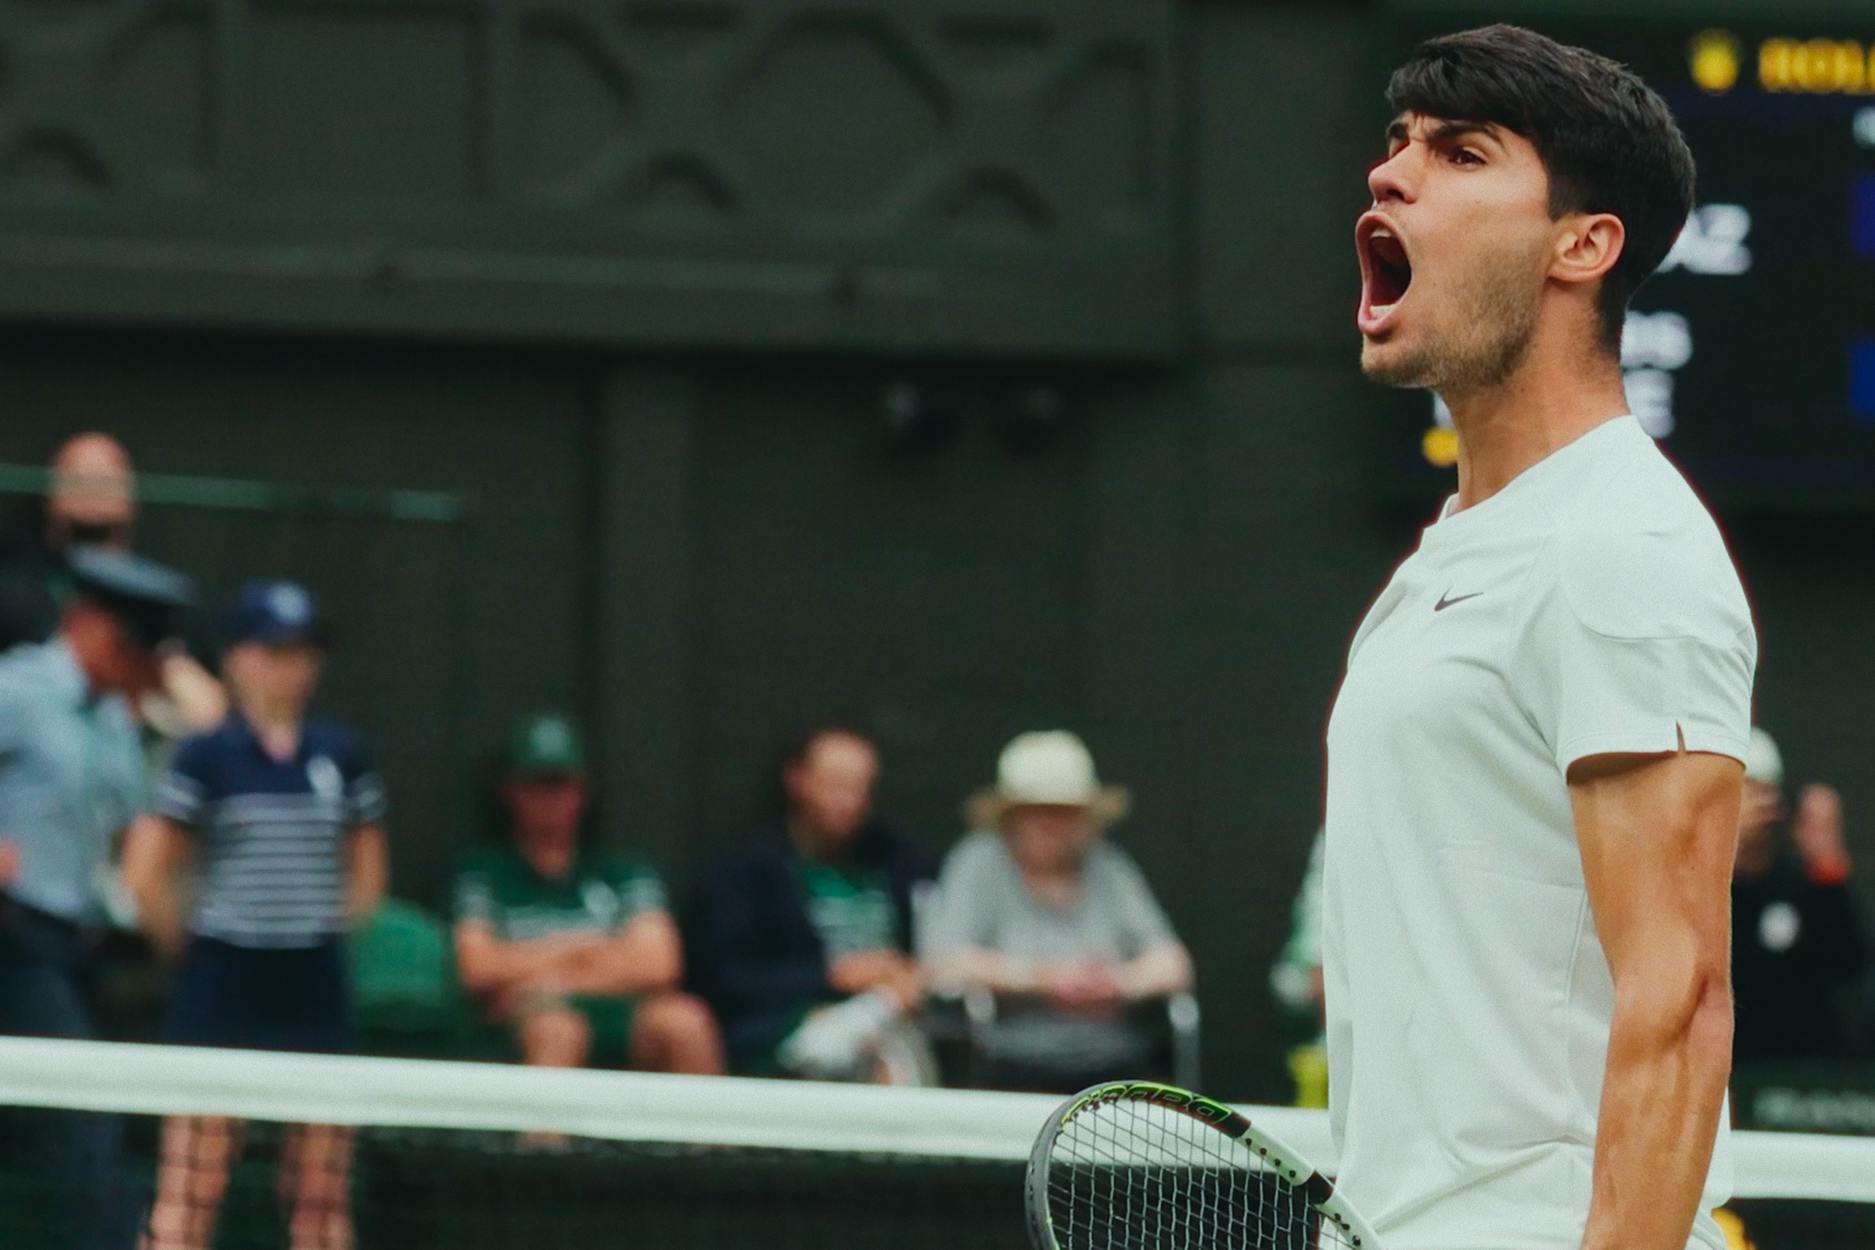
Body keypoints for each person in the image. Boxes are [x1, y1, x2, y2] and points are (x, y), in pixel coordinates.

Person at [1326, 26, 1755, 1250]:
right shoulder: (1450, 560)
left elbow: (1679, 1004)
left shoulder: (1620, 547)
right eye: (1397, 144)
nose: (1392, 175)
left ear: (1584, 243)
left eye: (1462, 154)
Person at [123, 581, 388, 1250]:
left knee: (321, 1199)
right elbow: (147, 869)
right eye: (275, 651)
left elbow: (366, 867)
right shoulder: (206, 757)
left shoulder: (341, 756)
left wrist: (325, 929)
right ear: (239, 658)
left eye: (303, 652)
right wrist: (185, 944)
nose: (291, 667)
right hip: (221, 987)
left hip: (313, 988)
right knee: (190, 1190)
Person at [0, 546, 194, 1250]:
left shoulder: (117, 722)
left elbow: (130, 834)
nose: (133, 659)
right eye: (126, 641)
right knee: (82, 1120)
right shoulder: (16, 690)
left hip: (76, 949)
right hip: (12, 940)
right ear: (82, 620)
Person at [451, 713, 722, 1075]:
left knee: (686, 1022)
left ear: (583, 790)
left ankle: (707, 1135)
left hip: (617, 1011)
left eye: (562, 785)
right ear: (511, 790)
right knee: (558, 1030)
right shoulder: (483, 873)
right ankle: (543, 1135)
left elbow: (659, 964)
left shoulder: (623, 872)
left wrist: (544, 969)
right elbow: (479, 968)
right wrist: (589, 950)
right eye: (538, 785)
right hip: (529, 1016)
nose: (552, 799)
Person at [923, 731, 1192, 1092]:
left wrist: (1115, 984)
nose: (1052, 824)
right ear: (1011, 816)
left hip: (1114, 1067)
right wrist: (1046, 980)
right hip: (1009, 1064)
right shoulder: (978, 862)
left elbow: (1173, 963)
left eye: (1066, 811)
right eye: (1037, 811)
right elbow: (943, 964)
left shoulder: (1109, 866)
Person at [687, 727, 930, 1082]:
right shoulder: (745, 872)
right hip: (790, 1032)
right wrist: (833, 975)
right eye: (836, 785)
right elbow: (724, 979)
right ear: (797, 779)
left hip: (900, 1019)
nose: (849, 802)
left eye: (860, 788)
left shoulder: (896, 862)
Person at [0, 433, 223, 734]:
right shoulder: (15, 590)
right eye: (78, 477)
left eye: (105, 478)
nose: (92, 491)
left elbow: (210, 711)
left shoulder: (158, 596)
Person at [1731, 727, 1869, 1065]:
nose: (1763, 804)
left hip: (1803, 1069)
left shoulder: (1804, 883)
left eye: (1769, 791)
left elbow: (1850, 965)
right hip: (1733, 1068)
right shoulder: (1696, 888)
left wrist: (1829, 866)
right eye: (1750, 791)